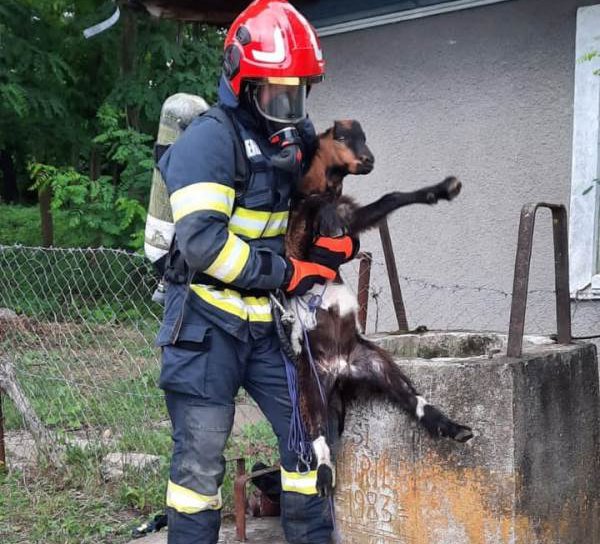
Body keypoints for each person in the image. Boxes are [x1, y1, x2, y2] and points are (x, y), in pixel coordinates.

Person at [156, 1, 355, 542]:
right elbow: (203, 246)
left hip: (268, 325)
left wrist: (332, 228)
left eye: (299, 92)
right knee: (199, 467)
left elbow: (307, 200)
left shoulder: (291, 137)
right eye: (277, 92)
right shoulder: (207, 142)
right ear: (241, 83)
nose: (290, 106)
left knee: (310, 435)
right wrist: (285, 271)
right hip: (205, 325)